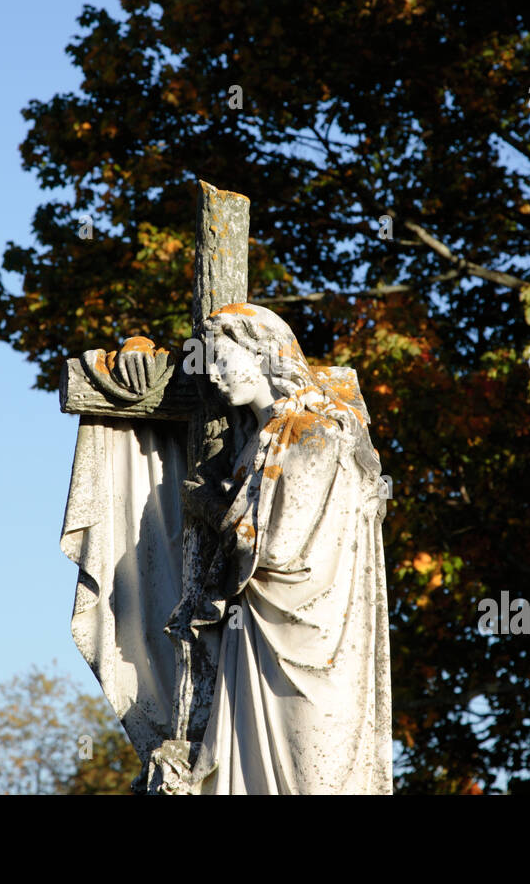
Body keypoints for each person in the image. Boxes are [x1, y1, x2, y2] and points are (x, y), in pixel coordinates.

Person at [185, 303, 393, 794]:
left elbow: (276, 551)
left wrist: (208, 503)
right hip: (256, 632)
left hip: (314, 642)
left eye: (222, 358)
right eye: (206, 363)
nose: (212, 376)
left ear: (264, 352)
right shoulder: (255, 439)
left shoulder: (313, 431)